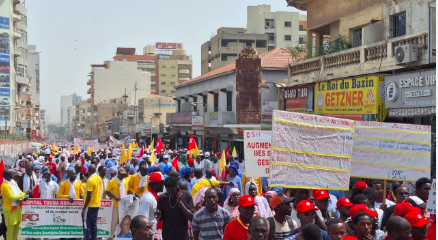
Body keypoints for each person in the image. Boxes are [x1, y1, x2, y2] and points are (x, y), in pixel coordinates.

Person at [1, 169, 28, 240]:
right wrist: (24, 195)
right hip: (9, 209)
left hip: (17, 208)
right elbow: (12, 197)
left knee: (17, 227)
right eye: (10, 174)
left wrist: (24, 195)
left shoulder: (13, 183)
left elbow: (19, 192)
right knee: (10, 229)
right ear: (6, 176)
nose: (12, 176)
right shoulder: (5, 185)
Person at [138, 172, 164, 238]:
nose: (163, 185)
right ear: (158, 184)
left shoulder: (153, 197)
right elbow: (143, 221)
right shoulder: (148, 199)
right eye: (162, 182)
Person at [106, 168, 128, 239]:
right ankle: (111, 236)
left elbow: (127, 191)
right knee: (114, 221)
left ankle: (120, 236)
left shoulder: (125, 181)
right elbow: (107, 191)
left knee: (123, 221)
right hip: (115, 205)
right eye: (122, 175)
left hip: (124, 205)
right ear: (118, 174)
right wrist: (114, 196)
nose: (123, 176)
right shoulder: (112, 181)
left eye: (124, 174)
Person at [82, 164, 103, 240]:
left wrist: (84, 208)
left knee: (87, 225)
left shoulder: (90, 181)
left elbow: (89, 196)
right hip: (96, 204)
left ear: (89, 170)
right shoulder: (99, 178)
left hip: (90, 205)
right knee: (94, 225)